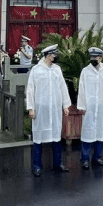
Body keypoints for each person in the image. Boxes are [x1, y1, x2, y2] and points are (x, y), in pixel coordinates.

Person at [26, 44, 70, 176]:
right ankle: (37, 166)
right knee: (39, 137)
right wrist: (30, 108)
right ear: (47, 56)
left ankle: (58, 163)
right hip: (41, 110)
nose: (55, 57)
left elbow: (63, 87)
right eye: (53, 55)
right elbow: (30, 90)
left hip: (55, 109)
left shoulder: (57, 69)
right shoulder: (36, 70)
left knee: (56, 136)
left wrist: (65, 105)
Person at [77, 47, 103, 168]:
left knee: (100, 133)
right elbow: (81, 89)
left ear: (100, 58)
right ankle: (85, 159)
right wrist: (81, 106)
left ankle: (97, 157)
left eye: (95, 57)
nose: (93, 59)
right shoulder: (85, 71)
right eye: (92, 57)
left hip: (101, 107)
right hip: (89, 107)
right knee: (87, 133)